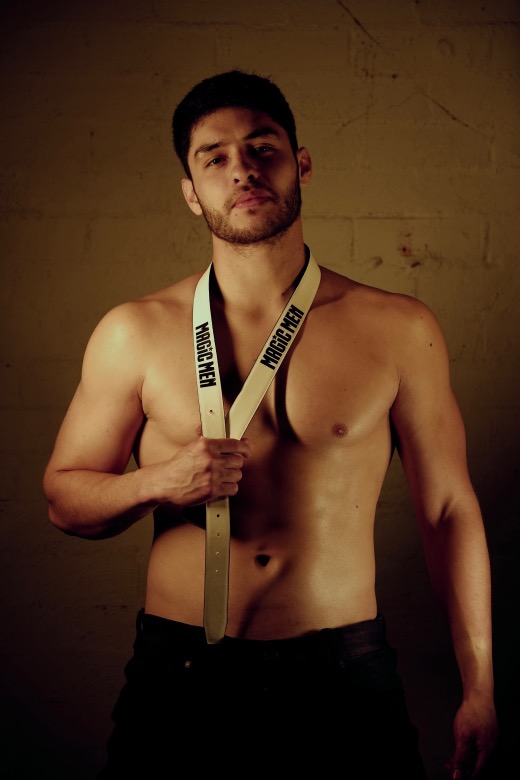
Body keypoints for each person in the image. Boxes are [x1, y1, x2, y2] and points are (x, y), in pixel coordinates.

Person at [43, 70, 498, 779]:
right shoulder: (134, 332)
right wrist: (158, 483)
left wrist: (480, 686)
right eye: (215, 158)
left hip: (343, 673)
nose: (243, 170)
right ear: (191, 193)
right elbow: (64, 501)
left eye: (263, 148)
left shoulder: (399, 329)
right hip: (181, 672)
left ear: (301, 163)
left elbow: (447, 509)